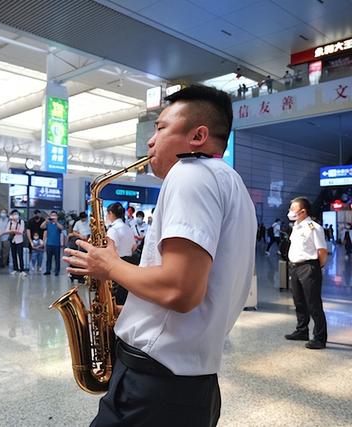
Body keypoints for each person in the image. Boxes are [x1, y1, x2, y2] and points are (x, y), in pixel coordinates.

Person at [64, 85, 256, 426]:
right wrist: (130, 308)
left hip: (153, 389)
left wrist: (110, 265)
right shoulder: (232, 183)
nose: (151, 141)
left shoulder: (190, 174)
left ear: (198, 136)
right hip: (190, 384)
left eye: (162, 128)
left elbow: (180, 290)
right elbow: (198, 291)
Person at [285, 197, 328, 350]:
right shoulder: (296, 227)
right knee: (299, 301)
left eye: (293, 209)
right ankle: (302, 330)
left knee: (314, 303)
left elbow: (322, 251)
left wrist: (315, 268)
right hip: (295, 267)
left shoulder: (313, 227)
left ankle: (320, 337)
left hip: (308, 267)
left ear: (303, 211)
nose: (290, 212)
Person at [106, 202, 136, 304]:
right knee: (125, 294)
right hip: (129, 263)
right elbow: (133, 247)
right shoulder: (128, 228)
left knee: (115, 296)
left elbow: (111, 250)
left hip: (117, 264)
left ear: (111, 213)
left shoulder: (113, 229)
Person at [42, 210, 63, 276]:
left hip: (57, 244)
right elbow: (41, 227)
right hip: (49, 244)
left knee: (57, 259)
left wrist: (56, 222)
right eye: (52, 215)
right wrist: (46, 221)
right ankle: (48, 270)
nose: (53, 217)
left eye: (54, 215)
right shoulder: (48, 224)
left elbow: (61, 228)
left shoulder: (58, 224)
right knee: (48, 258)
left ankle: (57, 271)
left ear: (57, 217)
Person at [7, 209, 26, 275]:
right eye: (14, 214)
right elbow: (7, 230)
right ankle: (15, 269)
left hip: (19, 240)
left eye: (16, 214)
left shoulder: (21, 221)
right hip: (12, 240)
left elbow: (21, 231)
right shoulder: (10, 222)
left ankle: (22, 270)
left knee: (20, 255)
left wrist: (13, 230)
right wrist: (15, 231)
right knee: (13, 254)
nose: (15, 215)